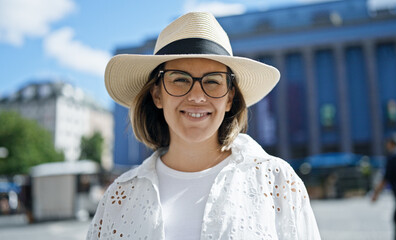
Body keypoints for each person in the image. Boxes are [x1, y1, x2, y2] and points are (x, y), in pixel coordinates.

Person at [87, 12, 320, 239]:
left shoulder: (277, 181)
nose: (197, 96)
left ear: (229, 97)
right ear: (157, 94)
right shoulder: (119, 198)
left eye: (212, 81)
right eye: (179, 79)